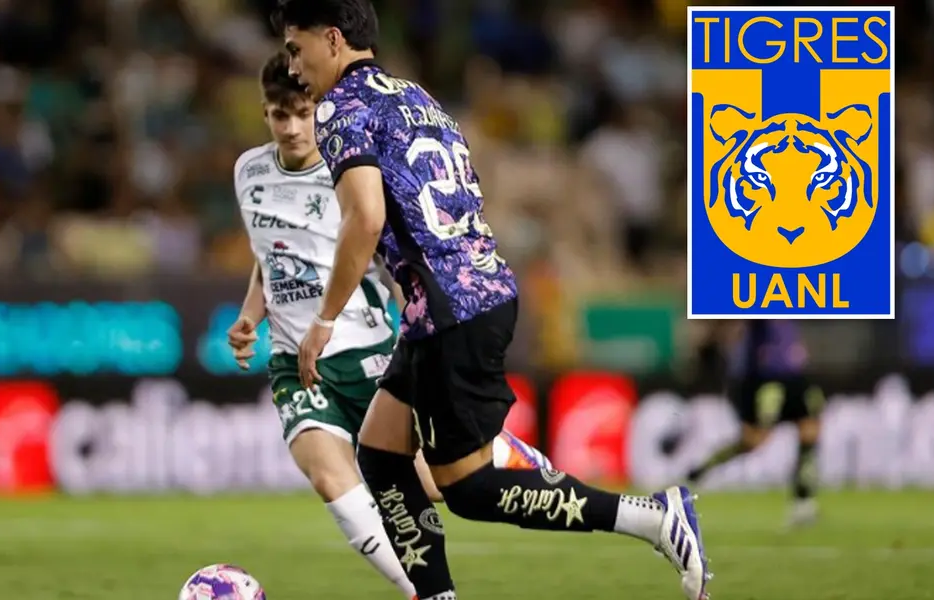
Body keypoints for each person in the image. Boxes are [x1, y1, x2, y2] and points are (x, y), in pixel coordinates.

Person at [271, 2, 711, 600]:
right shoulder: (415, 97)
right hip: (468, 294)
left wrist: (324, 319)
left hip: (450, 310)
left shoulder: (343, 108)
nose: (293, 67)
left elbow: (366, 217)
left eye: (296, 49)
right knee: (379, 454)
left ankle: (654, 517)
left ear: (332, 39)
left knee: (470, 490)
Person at [227, 51, 555, 600]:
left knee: (439, 483)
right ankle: (421, 590)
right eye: (277, 115)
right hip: (296, 361)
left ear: (319, 108)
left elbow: (387, 246)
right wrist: (249, 315)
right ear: (264, 114)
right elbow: (272, 254)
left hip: (368, 348)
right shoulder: (249, 172)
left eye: (301, 113)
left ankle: (504, 454)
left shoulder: (351, 170)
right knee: (331, 478)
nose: (290, 127)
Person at [686, 320, 824, 528]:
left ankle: (803, 502)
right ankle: (699, 471)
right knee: (754, 440)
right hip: (766, 377)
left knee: (809, 432)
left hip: (795, 374)